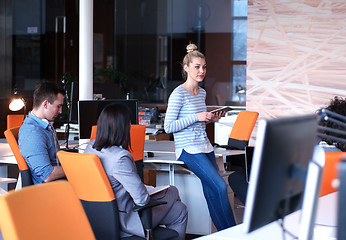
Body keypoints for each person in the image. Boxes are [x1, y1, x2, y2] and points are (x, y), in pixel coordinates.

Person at [84, 103, 188, 239]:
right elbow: (142, 199)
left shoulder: (90, 147)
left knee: (180, 209)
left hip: (99, 218)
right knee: (173, 191)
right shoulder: (119, 157)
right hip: (125, 221)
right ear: (122, 127)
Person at [164, 43, 236, 230]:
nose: (201, 71)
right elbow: (168, 126)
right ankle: (235, 234)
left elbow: (197, 123)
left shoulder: (201, 92)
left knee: (212, 192)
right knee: (220, 187)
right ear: (186, 68)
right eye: (197, 67)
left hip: (204, 146)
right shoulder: (178, 94)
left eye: (204, 67)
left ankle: (222, 234)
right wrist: (197, 116)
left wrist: (210, 119)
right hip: (188, 149)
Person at [19, 81, 66, 184]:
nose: (60, 111)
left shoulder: (44, 126)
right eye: (58, 106)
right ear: (45, 104)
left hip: (59, 185)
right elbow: (47, 174)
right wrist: (76, 168)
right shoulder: (32, 132)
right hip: (49, 191)